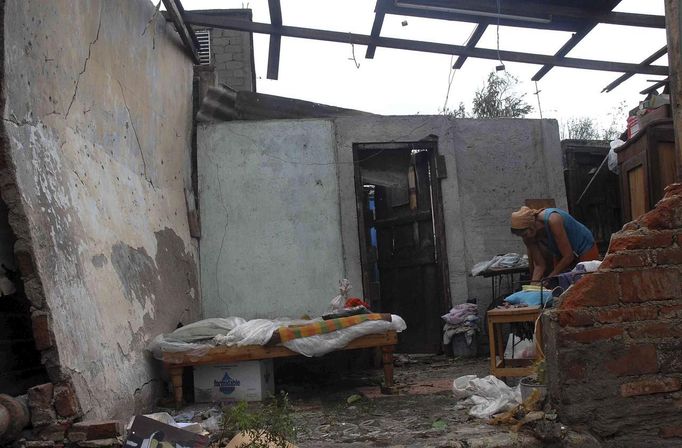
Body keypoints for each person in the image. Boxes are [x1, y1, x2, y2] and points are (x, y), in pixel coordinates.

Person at [510, 206, 599, 284]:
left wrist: (550, 277)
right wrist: (533, 286)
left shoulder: (553, 220)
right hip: (562, 253)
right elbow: (540, 265)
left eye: (525, 234)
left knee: (584, 281)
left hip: (583, 246)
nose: (524, 237)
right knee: (561, 284)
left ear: (532, 226)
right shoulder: (527, 237)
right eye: (521, 236)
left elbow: (568, 256)